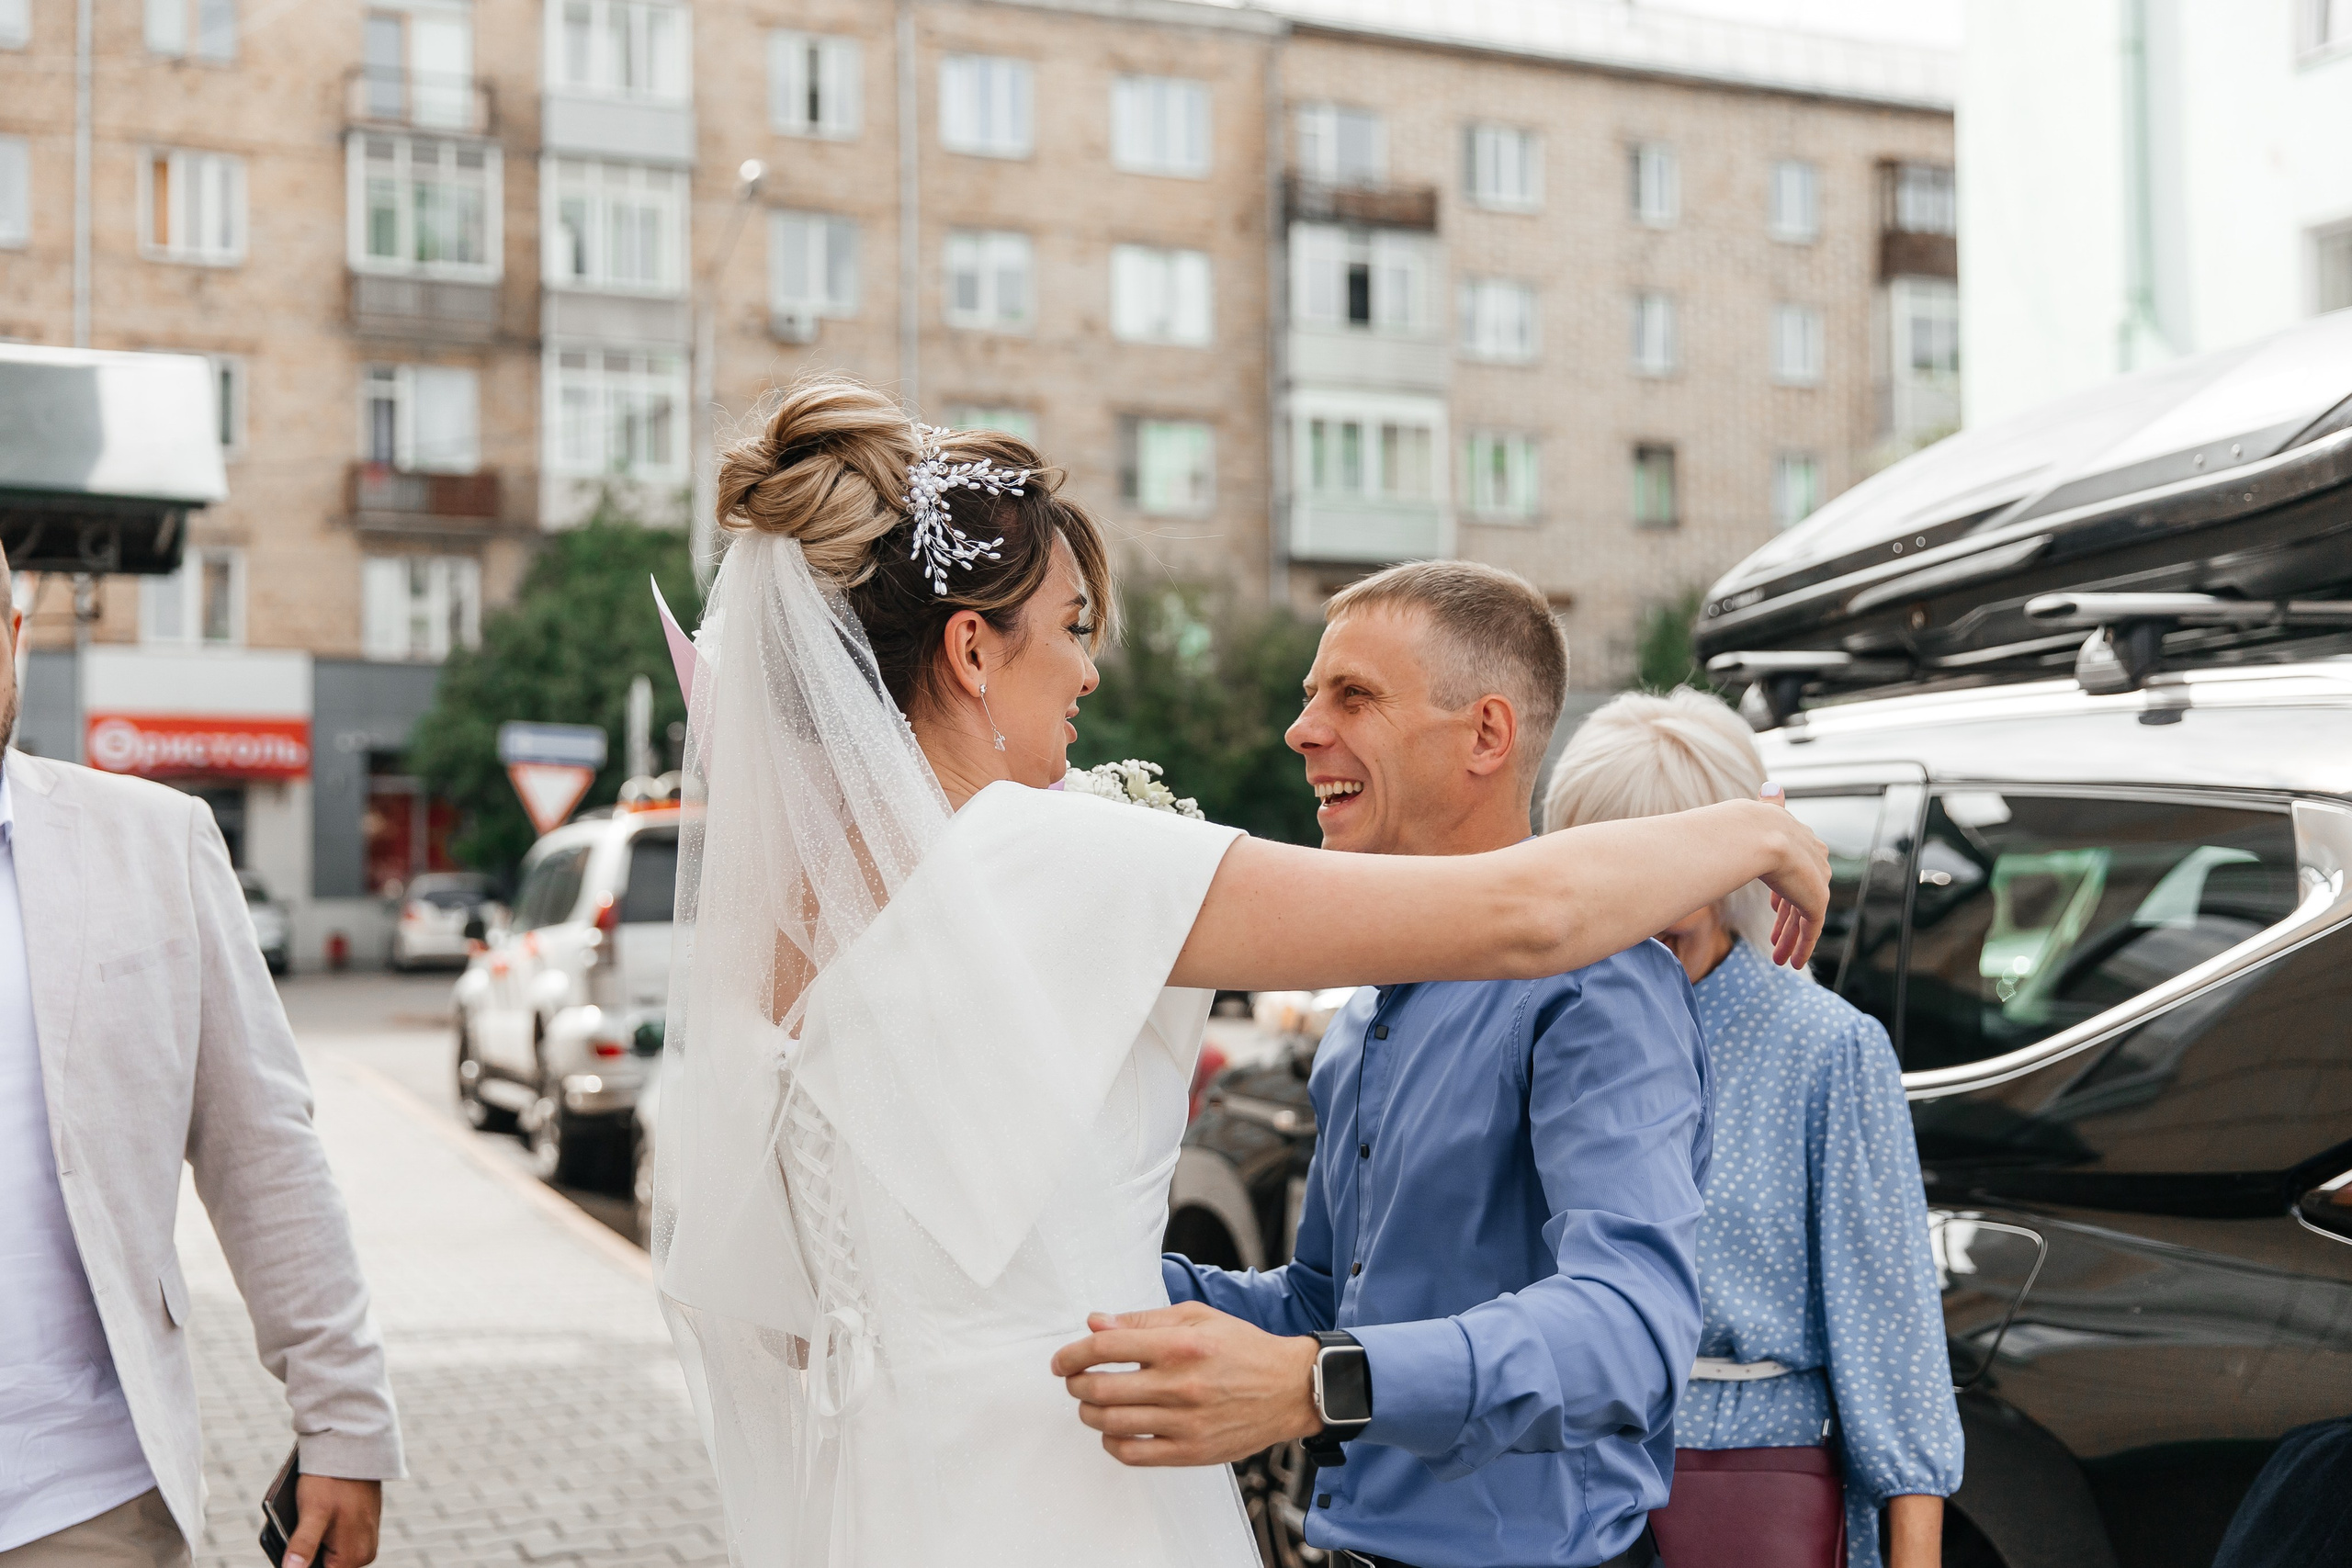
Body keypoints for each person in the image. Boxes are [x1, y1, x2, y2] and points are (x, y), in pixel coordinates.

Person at [650, 376, 1830, 1567]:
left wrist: (1122, 1301)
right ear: (969, 648)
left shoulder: (784, 932)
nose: (1089, 671)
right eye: (1069, 625)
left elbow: (794, 1317)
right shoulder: (1042, 854)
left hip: (883, 1490)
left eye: (1351, 694)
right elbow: (1529, 914)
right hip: (1070, 1490)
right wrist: (1757, 831)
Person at [1053, 560, 1712, 1568]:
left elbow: (1631, 1335)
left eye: (1352, 696)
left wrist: (1314, 1383)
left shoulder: (1598, 984)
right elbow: (1326, 1307)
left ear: (1486, 734)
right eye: (1309, 695)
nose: (1302, 729)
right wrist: (1075, 1272)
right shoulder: (1370, 1014)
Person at [0, 550, 401, 1568]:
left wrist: (344, 1423)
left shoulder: (153, 844)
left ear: (15, 640)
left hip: (79, 1498)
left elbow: (264, 1153)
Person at [1542, 688, 1962, 1568]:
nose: (1667, 874)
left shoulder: (1825, 1047)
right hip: (1553, 1477)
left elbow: (1896, 1343)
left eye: (1689, 839)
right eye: (1634, 842)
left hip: (1748, 1482)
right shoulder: (1545, 1028)